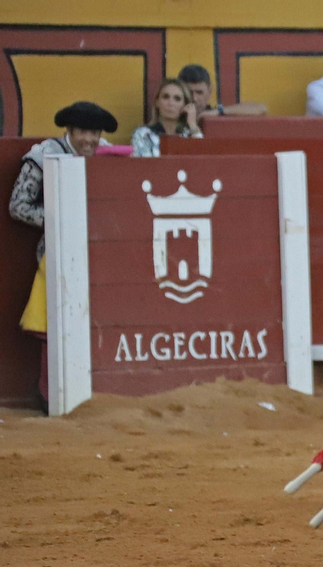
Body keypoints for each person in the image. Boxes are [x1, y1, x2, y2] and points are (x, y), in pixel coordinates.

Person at [10, 102, 116, 402]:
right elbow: (18, 206)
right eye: (83, 131)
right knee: (54, 326)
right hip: (55, 253)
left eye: (95, 132)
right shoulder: (44, 155)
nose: (90, 140)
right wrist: (61, 219)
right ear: (68, 131)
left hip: (100, 251)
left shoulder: (106, 153)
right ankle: (50, 395)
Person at [131, 78, 202, 157]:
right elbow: (143, 165)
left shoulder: (189, 135)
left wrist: (193, 125)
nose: (170, 103)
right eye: (165, 97)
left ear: (185, 105)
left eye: (177, 99)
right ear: (157, 102)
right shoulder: (143, 134)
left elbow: (202, 161)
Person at [177, 64, 267, 117]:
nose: (194, 98)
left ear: (209, 92)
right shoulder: (170, 114)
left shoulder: (215, 113)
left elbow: (261, 108)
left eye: (199, 92)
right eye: (189, 92)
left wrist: (218, 112)